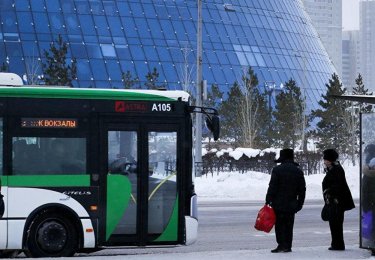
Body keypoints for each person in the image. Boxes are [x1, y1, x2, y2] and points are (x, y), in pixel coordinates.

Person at [266, 148, 306, 253]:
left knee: (279, 225)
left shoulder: (277, 170)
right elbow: (302, 189)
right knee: (289, 225)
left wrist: (268, 200)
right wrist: (300, 203)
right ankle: (288, 246)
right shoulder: (298, 171)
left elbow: (272, 187)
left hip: (278, 203)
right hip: (292, 203)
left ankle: (281, 244)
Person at [322, 148, 355, 251]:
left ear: (330, 160)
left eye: (326, 159)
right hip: (335, 201)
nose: (324, 161)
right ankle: (336, 243)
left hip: (337, 202)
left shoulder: (337, 169)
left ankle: (338, 244)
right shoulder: (334, 168)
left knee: (336, 223)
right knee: (334, 223)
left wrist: (329, 191)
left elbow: (337, 186)